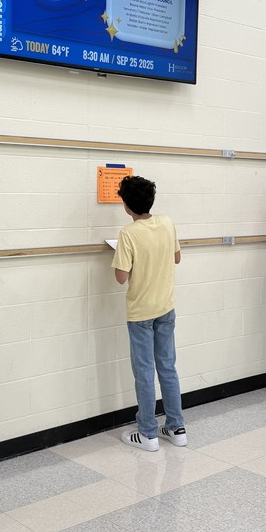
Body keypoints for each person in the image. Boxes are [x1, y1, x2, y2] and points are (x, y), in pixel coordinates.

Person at [111, 175, 186, 451]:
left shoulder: (128, 234)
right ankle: (176, 427)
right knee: (167, 366)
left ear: (126, 206)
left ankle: (147, 432)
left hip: (141, 313)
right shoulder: (166, 223)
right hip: (166, 308)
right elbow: (176, 257)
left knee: (144, 371)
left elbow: (121, 277)